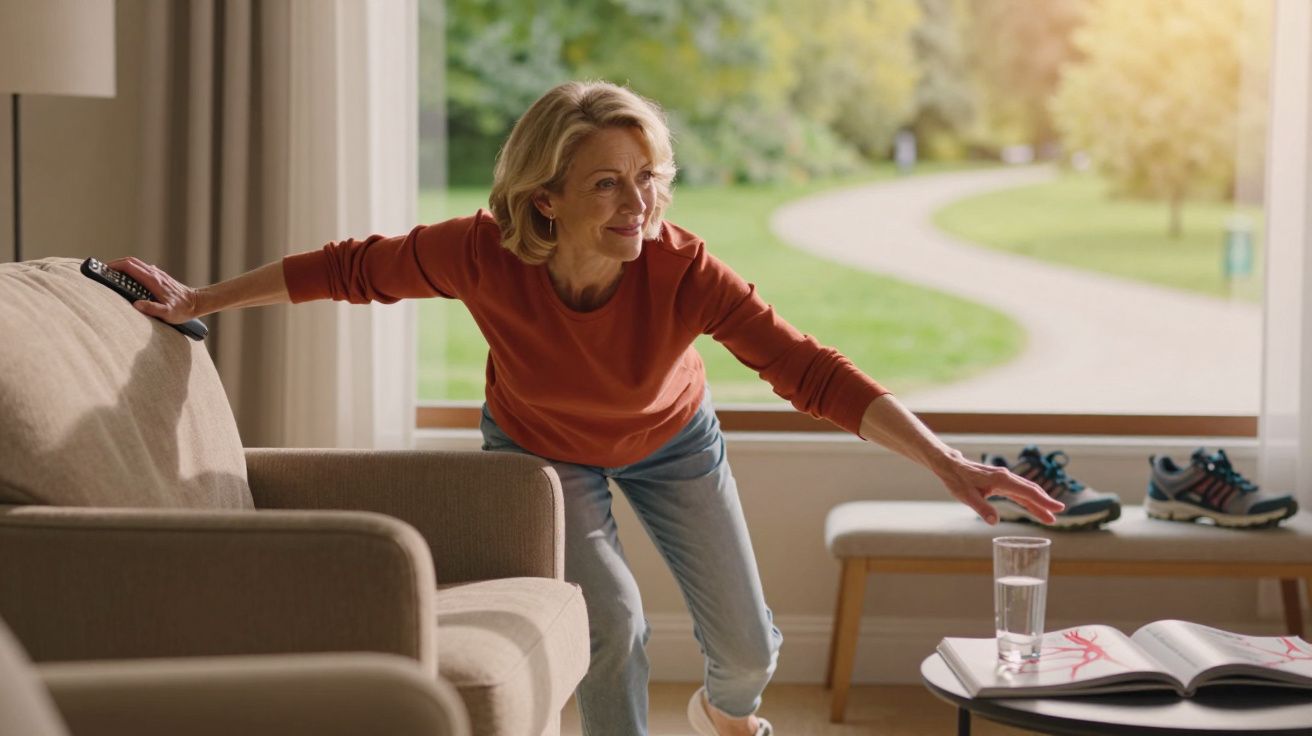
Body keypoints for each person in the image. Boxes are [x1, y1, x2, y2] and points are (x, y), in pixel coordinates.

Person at [112, 80, 1063, 736]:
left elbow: (809, 368)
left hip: (673, 439)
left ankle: (725, 717)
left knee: (746, 651)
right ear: (546, 198)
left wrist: (947, 462)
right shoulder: (481, 252)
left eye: (649, 177)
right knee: (611, 620)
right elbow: (348, 269)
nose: (638, 202)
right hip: (540, 448)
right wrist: (199, 302)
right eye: (608, 181)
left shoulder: (683, 270)